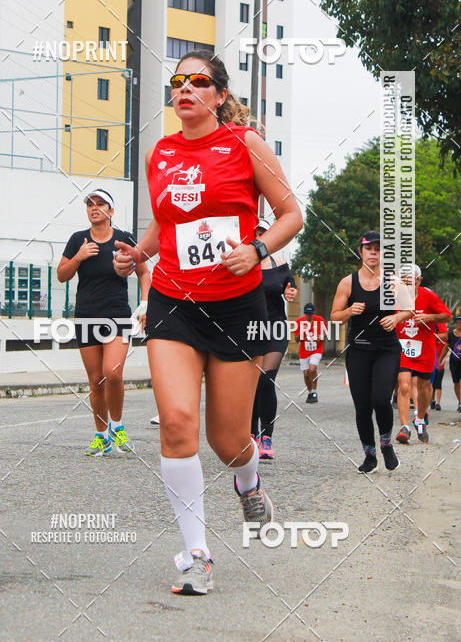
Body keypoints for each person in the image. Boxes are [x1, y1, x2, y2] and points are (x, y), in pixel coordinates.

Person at [113, 50, 302, 594]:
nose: (186, 89)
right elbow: (164, 222)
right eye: (178, 82)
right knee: (175, 422)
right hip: (173, 300)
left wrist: (257, 248)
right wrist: (137, 253)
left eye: (199, 82)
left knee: (229, 440)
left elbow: (292, 213)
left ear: (219, 95)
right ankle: (197, 554)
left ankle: (248, 481)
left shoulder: (244, 144)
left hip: (236, 306)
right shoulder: (162, 153)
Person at [57, 190, 150, 456]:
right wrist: (79, 257)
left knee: (113, 372)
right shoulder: (78, 240)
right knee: (96, 380)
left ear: (111, 211)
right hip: (86, 314)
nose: (94, 208)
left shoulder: (124, 239)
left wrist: (144, 304)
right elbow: (62, 275)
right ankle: (101, 435)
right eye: (90, 204)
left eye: (100, 204)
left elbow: (144, 273)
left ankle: (117, 427)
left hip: (117, 315)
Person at [330, 232, 414, 474]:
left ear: (383, 254)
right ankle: (369, 454)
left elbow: (409, 308)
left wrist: (396, 317)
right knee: (362, 407)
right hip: (359, 351)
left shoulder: (393, 282)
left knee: (380, 400)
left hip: (386, 350)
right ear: (361, 252)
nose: (374, 253)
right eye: (369, 249)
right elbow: (335, 316)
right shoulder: (348, 282)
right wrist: (349, 311)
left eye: (378, 249)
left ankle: (386, 443)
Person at [250, 218, 297, 459]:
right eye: (255, 231)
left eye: (263, 232)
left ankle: (266, 437)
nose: (259, 235)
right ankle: (250, 435)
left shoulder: (281, 265)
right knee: (250, 385)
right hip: (249, 330)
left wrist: (290, 293)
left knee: (266, 380)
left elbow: (291, 288)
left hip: (275, 329)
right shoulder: (242, 265)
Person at [394, 266, 451, 444]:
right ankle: (404, 427)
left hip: (425, 350)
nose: (407, 283)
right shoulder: (394, 298)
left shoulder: (428, 296)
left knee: (425, 387)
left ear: (419, 280)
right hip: (402, 349)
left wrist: (429, 317)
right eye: (403, 280)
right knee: (404, 386)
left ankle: (420, 419)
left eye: (410, 280)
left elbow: (447, 316)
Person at [294, 303, 328, 404]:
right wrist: (301, 331)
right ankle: (309, 393)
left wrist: (320, 337)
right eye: (307, 314)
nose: (309, 316)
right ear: (304, 313)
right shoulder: (299, 322)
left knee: (312, 369)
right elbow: (296, 339)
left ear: (313, 313)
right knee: (306, 373)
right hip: (304, 351)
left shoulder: (320, 320)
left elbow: (326, 333)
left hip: (316, 349)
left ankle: (314, 392)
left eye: (310, 314)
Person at [430, 323, 448, 411]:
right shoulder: (431, 342)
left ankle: (438, 402)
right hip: (432, 365)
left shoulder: (443, 343)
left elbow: (445, 353)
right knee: (432, 384)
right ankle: (432, 400)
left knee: (438, 384)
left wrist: (442, 361)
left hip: (440, 365)